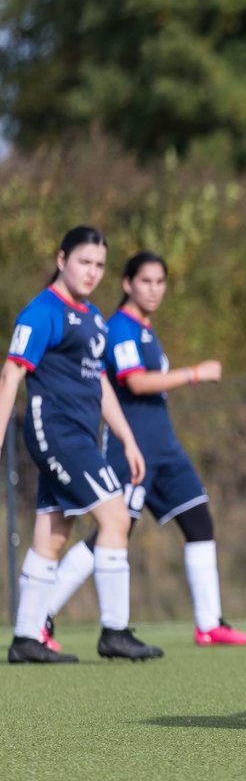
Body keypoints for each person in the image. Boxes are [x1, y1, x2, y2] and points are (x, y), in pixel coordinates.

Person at [42, 252, 246, 649]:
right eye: (146, 281)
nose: (154, 290)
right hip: (133, 452)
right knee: (112, 532)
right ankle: (40, 614)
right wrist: (195, 373)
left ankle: (209, 624)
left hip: (166, 450)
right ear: (127, 284)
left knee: (199, 523)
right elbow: (136, 383)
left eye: (160, 282)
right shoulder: (120, 328)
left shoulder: (145, 329)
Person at [0, 226, 164, 663]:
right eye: (83, 262)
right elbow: (11, 374)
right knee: (116, 519)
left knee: (53, 537)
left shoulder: (93, 317)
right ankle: (115, 631)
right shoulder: (41, 312)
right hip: (57, 432)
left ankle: (25, 639)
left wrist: (128, 439)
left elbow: (100, 384)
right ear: (61, 259)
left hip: (81, 434)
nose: (91, 272)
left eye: (99, 265)